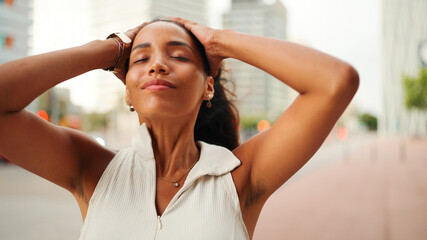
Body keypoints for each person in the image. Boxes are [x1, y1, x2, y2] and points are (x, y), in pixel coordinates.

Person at [0, 17, 359, 239]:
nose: (157, 64)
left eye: (179, 55)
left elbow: (335, 82)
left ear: (208, 86)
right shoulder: (93, 170)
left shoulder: (239, 178)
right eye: (141, 58)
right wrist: (109, 50)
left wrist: (218, 41)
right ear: (128, 89)